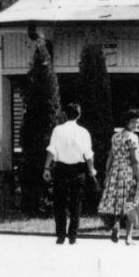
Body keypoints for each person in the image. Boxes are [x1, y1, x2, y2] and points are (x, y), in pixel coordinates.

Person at [43, 101, 97, 245]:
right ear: (79, 115)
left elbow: (51, 150)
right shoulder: (83, 132)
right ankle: (73, 236)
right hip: (78, 170)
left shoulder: (58, 130)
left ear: (65, 114)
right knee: (76, 203)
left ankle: (60, 235)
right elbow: (88, 154)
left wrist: (46, 168)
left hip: (61, 169)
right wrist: (91, 169)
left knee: (59, 203)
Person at [97, 108, 139, 244]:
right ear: (127, 122)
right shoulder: (132, 137)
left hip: (115, 171)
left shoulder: (116, 136)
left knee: (119, 201)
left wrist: (107, 174)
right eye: (134, 122)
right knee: (130, 202)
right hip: (128, 172)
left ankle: (116, 224)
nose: (136, 125)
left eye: (138, 122)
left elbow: (110, 157)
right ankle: (128, 237)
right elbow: (135, 160)